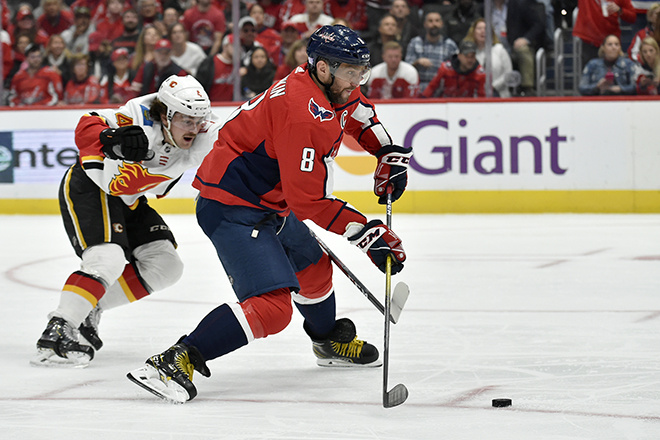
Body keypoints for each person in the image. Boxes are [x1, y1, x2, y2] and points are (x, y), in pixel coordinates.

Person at [126, 25, 411, 403]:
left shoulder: (331, 85)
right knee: (272, 310)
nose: (357, 80)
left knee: (314, 268)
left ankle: (327, 340)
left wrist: (386, 150)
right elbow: (307, 200)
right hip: (232, 206)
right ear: (322, 68)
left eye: (362, 71)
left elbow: (358, 110)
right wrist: (366, 233)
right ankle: (174, 360)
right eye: (350, 72)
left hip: (267, 200)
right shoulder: (302, 113)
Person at [32, 75, 220, 368]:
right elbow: (86, 124)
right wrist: (110, 138)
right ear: (165, 116)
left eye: (198, 121)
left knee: (166, 266)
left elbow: (241, 139)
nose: (194, 129)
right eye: (186, 120)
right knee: (106, 259)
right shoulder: (137, 116)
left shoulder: (206, 132)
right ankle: (58, 329)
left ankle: (89, 308)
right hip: (91, 186)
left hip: (129, 198)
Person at [405, 10, 458, 93]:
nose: (434, 24)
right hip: (419, 87)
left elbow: (457, 68)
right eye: (430, 21)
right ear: (425, 24)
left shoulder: (450, 44)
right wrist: (417, 62)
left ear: (442, 24)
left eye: (437, 21)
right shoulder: (415, 42)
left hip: (443, 88)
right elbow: (406, 68)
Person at [573, 0, 636, 69]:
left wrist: (620, 10)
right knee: (590, 72)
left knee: (614, 72)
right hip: (590, 40)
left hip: (611, 40)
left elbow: (632, 17)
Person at [464, 17, 513, 97]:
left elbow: (508, 73)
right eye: (479, 28)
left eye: (486, 29)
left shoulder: (499, 50)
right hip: (474, 95)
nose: (483, 31)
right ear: (473, 32)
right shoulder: (466, 52)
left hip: (499, 95)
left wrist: (492, 87)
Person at [506, 0, 547, 96]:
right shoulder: (486, 8)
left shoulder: (522, 3)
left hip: (518, 43)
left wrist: (526, 39)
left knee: (523, 51)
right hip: (497, 42)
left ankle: (527, 89)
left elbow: (539, 24)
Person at [421, 39, 485, 98]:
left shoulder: (480, 74)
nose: (470, 60)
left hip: (469, 104)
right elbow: (432, 87)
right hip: (445, 103)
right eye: (466, 56)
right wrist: (423, 101)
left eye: (472, 56)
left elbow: (482, 97)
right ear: (459, 56)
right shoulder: (446, 68)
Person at [195, 36, 237, 101]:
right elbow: (200, 84)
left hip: (232, 105)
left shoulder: (238, 65)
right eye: (234, 45)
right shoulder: (210, 63)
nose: (237, 49)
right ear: (225, 46)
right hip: (212, 104)